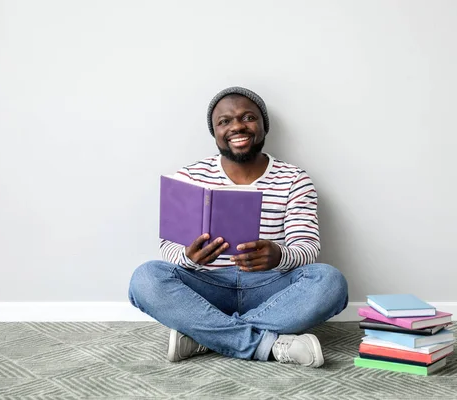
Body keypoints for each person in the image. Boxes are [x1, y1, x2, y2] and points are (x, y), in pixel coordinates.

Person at [128, 87, 348, 368]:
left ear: (263, 125)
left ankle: (204, 336)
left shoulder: (295, 179)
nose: (237, 127)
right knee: (145, 278)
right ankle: (266, 344)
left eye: (248, 117)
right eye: (225, 121)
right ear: (215, 132)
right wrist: (188, 257)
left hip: (271, 287)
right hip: (207, 286)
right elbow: (168, 246)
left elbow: (307, 248)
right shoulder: (188, 177)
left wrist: (279, 255)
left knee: (330, 282)